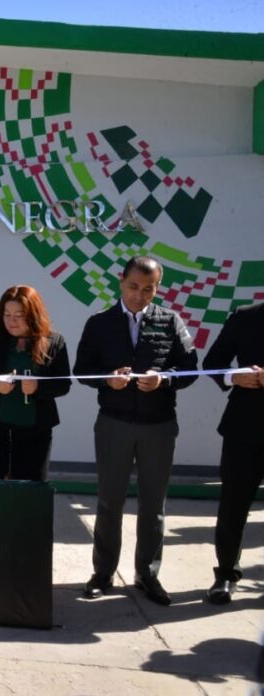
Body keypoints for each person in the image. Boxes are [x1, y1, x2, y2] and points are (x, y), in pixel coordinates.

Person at [74, 256, 198, 606]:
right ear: (121, 281)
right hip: (114, 422)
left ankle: (148, 574)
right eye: (134, 287)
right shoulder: (100, 323)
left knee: (153, 504)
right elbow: (82, 369)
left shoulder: (170, 321)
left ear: (157, 287)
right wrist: (108, 380)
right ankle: (103, 573)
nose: (140, 295)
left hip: (158, 425)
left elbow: (189, 368)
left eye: (149, 288)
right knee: (109, 501)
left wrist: (164, 380)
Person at [0, 285, 71, 481]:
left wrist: (38, 387)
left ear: (33, 314)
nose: (11, 321)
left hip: (36, 429)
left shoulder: (54, 340)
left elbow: (63, 384)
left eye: (19, 315)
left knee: (31, 489)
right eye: (7, 314)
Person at [200, 301, 264, 604]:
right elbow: (213, 362)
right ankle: (225, 575)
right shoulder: (246, 317)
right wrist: (234, 376)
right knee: (233, 505)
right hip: (245, 429)